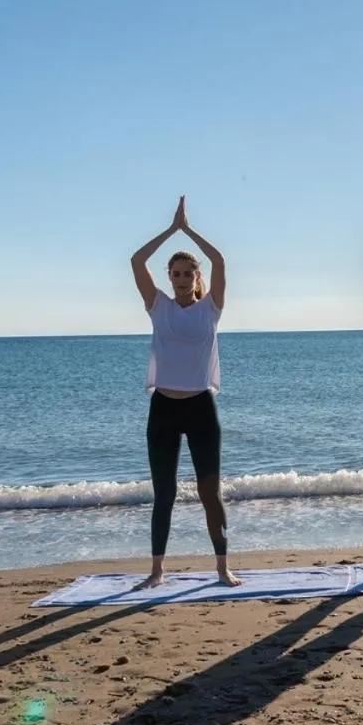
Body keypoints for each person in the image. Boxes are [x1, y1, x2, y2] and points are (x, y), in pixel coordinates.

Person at [130, 196, 240, 589]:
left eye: (186, 273)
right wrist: (170, 230)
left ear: (197, 278)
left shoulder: (211, 307)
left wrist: (190, 230)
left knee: (211, 492)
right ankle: (157, 571)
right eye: (174, 273)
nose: (179, 278)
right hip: (163, 408)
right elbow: (136, 261)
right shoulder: (157, 305)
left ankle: (223, 567)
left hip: (200, 408)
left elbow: (221, 261)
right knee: (165, 494)